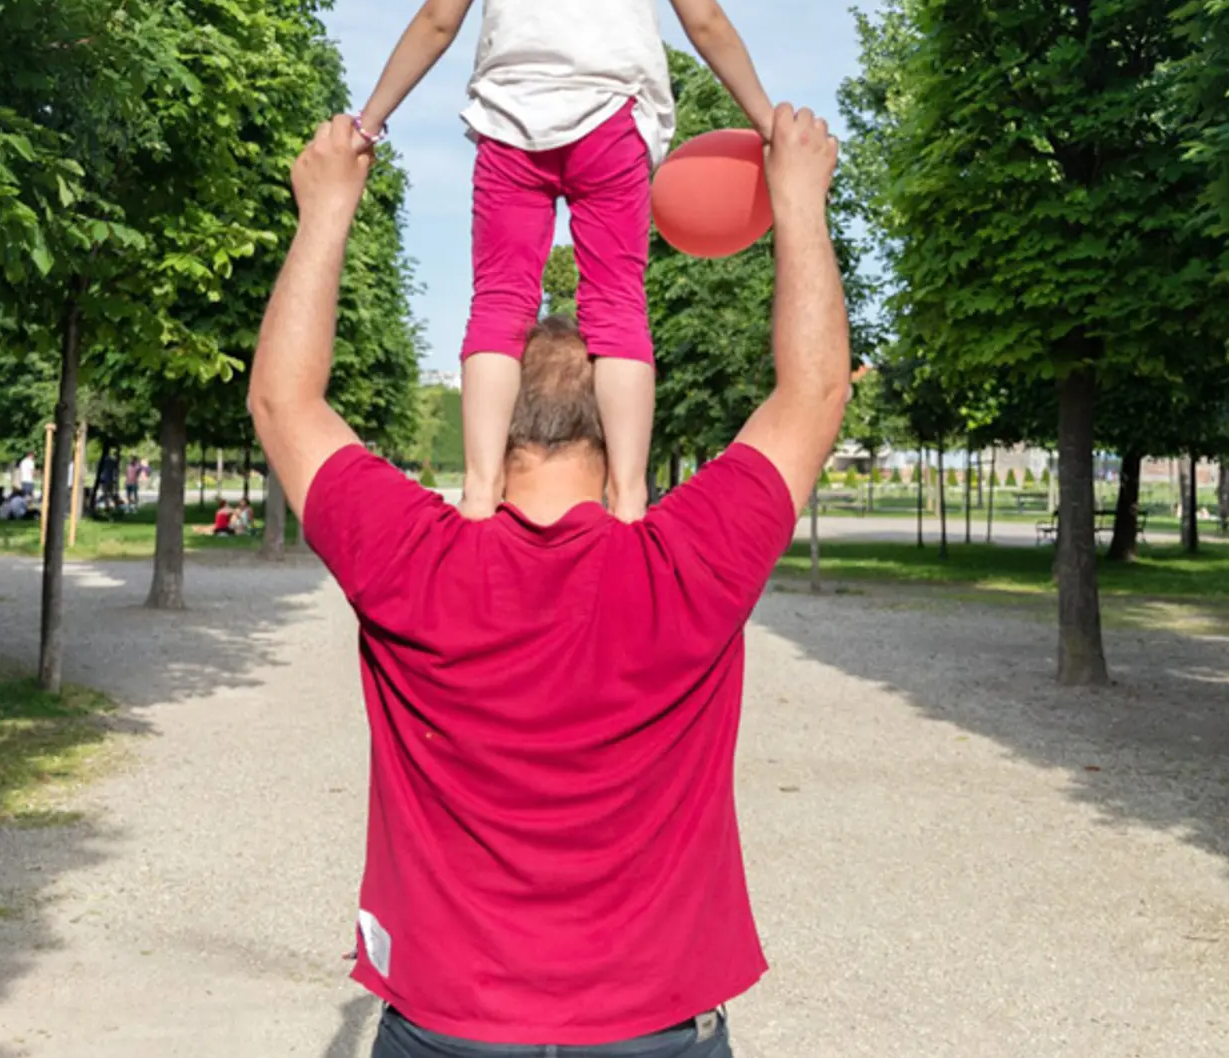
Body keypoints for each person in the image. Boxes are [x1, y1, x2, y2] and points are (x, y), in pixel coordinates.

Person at [248, 105, 848, 1056]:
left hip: (450, 1026)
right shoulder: (686, 564)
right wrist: (800, 203)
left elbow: (284, 399)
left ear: (493, 418)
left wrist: (324, 208)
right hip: (654, 1028)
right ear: (619, 424)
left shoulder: (415, 560)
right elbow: (813, 392)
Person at [351, 0, 775, 522]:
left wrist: (370, 120)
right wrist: (767, 119)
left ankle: (478, 492)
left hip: (509, 128)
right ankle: (627, 495)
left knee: (497, 306)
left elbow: (438, 22)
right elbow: (706, 22)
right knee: (617, 306)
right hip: (609, 126)